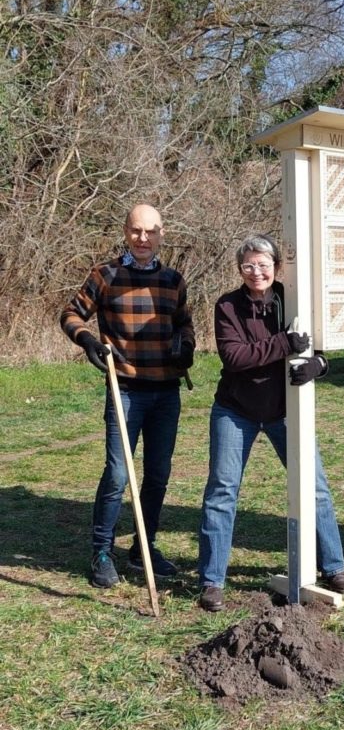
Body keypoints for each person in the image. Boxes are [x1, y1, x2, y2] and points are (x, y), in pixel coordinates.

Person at [196, 234, 344, 612]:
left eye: (264, 265)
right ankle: (212, 580)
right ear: (240, 269)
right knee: (222, 492)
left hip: (287, 411)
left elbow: (323, 342)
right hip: (235, 411)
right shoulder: (227, 306)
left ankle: (333, 566)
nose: (257, 272)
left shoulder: (294, 299)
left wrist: (320, 364)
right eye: (249, 265)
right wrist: (284, 345)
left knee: (315, 487)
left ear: (277, 267)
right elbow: (235, 357)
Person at [61, 203, 194, 588]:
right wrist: (87, 341)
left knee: (158, 474)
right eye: (136, 231)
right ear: (125, 232)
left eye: (150, 231)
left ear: (161, 234)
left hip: (166, 392)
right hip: (126, 391)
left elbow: (185, 325)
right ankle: (101, 551)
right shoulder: (105, 276)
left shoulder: (173, 280)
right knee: (119, 474)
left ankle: (143, 547)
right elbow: (70, 314)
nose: (143, 239)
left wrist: (186, 346)